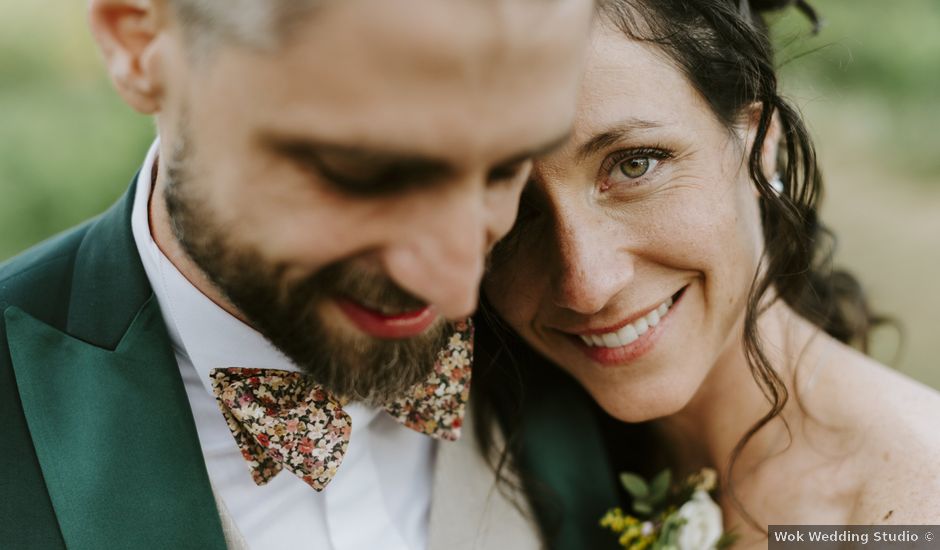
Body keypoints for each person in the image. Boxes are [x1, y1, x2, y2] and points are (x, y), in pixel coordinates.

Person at [0, 0, 604, 549]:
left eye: (504, 168)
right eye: (363, 173)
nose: (457, 291)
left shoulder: (581, 326)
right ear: (142, 47)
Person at [478, 0, 940, 547]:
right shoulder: (520, 447)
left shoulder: (904, 516)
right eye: (514, 207)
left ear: (760, 142)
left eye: (635, 163)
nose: (586, 284)